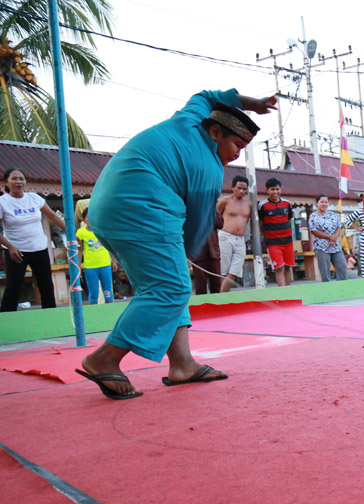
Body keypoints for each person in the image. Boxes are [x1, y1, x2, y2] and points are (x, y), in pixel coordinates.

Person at [78, 89, 275, 400]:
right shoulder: (208, 168)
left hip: (105, 207)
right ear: (215, 132)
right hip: (140, 207)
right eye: (236, 144)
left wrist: (253, 104)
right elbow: (196, 230)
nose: (238, 153)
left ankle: (182, 364)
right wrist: (186, 253)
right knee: (171, 286)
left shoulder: (192, 115)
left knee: (168, 283)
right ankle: (105, 358)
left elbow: (208, 94)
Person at [0, 167, 66, 311]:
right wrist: (10, 246)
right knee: (14, 286)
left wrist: (72, 233)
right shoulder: (3, 202)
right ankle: (5, 320)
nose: (18, 182)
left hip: (39, 249)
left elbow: (53, 216)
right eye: (14, 179)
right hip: (16, 252)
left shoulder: (34, 198)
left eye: (21, 179)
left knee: (46, 285)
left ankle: (51, 317)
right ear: (6, 182)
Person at [216, 175, 252, 292]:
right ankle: (223, 297)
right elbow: (215, 217)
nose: (241, 191)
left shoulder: (249, 204)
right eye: (239, 188)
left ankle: (222, 295)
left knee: (235, 270)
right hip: (225, 236)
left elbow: (247, 221)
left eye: (244, 189)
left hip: (241, 239)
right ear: (233, 187)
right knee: (223, 269)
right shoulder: (225, 201)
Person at [75, 207, 116, 304]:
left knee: (108, 291)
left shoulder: (102, 230)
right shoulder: (81, 233)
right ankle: (93, 311)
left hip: (105, 264)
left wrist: (114, 261)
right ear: (84, 220)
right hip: (90, 266)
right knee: (93, 292)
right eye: (88, 217)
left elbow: (109, 246)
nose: (90, 219)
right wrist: (78, 266)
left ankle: (109, 311)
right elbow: (80, 250)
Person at [258, 178, 294, 286]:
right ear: (267, 190)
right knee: (279, 268)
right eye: (272, 189)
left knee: (288, 267)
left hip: (287, 241)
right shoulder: (262, 205)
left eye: (277, 189)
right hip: (273, 243)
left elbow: (288, 220)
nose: (275, 192)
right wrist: (268, 236)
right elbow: (261, 224)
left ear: (280, 189)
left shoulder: (287, 203)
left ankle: (289, 294)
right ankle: (282, 295)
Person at [309, 194, 349, 282]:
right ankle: (328, 292)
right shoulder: (313, 216)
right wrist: (330, 237)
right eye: (322, 202)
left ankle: (344, 290)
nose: (324, 204)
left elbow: (339, 226)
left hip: (335, 246)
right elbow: (314, 231)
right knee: (325, 273)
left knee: (342, 267)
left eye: (326, 202)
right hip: (321, 247)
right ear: (317, 203)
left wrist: (334, 238)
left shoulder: (332, 214)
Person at [191, 210, 223, 295]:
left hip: (213, 250)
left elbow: (220, 224)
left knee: (216, 283)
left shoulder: (212, 208)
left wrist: (211, 207)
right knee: (200, 285)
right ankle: (202, 307)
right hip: (197, 252)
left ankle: (217, 305)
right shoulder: (191, 209)